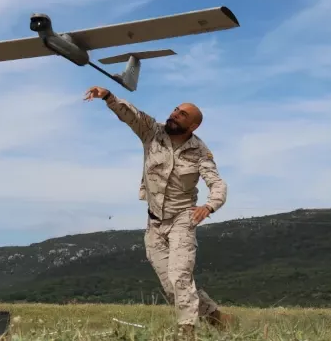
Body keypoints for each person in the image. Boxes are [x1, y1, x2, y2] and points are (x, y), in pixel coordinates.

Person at [84, 86, 234, 338]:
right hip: (154, 222)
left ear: (193, 126)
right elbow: (131, 114)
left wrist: (209, 206)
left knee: (180, 276)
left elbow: (217, 183)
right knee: (170, 286)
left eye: (183, 114)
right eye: (176, 110)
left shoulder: (200, 152)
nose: (174, 114)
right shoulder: (152, 132)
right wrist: (108, 97)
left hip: (182, 219)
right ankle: (216, 316)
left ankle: (187, 332)